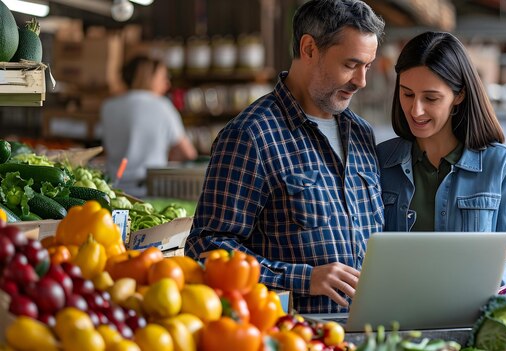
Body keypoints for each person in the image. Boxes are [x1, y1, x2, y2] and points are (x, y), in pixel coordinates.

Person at [185, 0, 385, 314]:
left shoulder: (363, 134)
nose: (361, 81)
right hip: (291, 333)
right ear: (309, 49)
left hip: (369, 332)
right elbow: (205, 247)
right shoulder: (251, 135)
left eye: (367, 66)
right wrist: (304, 278)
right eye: (350, 64)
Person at [376, 31, 506, 285]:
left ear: (458, 95)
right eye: (407, 94)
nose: (416, 110)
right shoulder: (380, 162)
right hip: (396, 319)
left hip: (471, 319)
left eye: (431, 98)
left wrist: (478, 282)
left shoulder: (501, 166)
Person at [101, 56, 197, 197]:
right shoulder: (162, 106)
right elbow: (188, 153)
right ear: (149, 77)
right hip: (150, 191)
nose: (167, 84)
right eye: (163, 77)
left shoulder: (108, 107)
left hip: (114, 188)